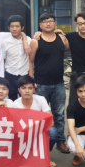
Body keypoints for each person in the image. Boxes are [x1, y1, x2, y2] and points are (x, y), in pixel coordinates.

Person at [29, 12, 70, 153]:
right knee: (40, 114)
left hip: (59, 83)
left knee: (59, 114)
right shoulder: (36, 41)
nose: (48, 24)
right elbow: (30, 62)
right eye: (45, 21)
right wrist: (31, 81)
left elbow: (72, 46)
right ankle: (39, 140)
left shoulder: (61, 38)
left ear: (55, 23)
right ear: (40, 25)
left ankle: (60, 141)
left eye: (51, 21)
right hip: (41, 84)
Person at [12, 75, 59, 167]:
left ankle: (45, 156)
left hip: (39, 131)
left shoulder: (41, 99)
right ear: (19, 90)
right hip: (23, 134)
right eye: (23, 88)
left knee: (53, 132)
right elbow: (15, 127)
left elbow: (51, 122)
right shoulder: (15, 104)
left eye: (30, 88)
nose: (27, 91)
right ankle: (24, 155)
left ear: (34, 89)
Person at [62, 12, 85, 105]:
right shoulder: (71, 37)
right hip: (76, 75)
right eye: (80, 23)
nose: (82, 26)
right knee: (74, 104)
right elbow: (55, 38)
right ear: (76, 24)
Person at [2, 15, 31, 100]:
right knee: (11, 102)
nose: (14, 29)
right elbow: (3, 60)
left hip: (24, 76)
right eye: (12, 26)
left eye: (17, 26)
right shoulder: (5, 42)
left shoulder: (29, 40)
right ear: (8, 27)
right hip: (10, 76)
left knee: (25, 101)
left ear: (22, 27)